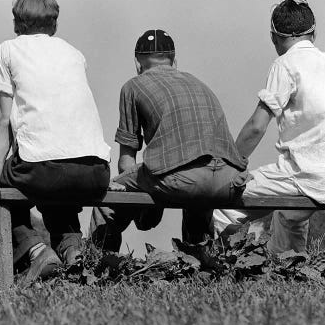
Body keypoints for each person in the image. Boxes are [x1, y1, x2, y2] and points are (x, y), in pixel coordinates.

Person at [0, 0, 111, 281]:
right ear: (54, 23)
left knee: (5, 187)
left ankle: (36, 251)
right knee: (57, 179)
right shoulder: (74, 53)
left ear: (16, 21)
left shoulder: (8, 50)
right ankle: (73, 251)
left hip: (44, 169)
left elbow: (4, 120)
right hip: (96, 170)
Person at [214, 0, 325, 253]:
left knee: (221, 203)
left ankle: (207, 270)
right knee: (289, 215)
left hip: (311, 176)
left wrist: (228, 167)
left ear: (274, 38)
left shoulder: (286, 64)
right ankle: (291, 270)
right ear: (314, 34)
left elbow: (257, 126)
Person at [89, 30, 248, 253]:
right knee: (197, 188)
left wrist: (145, 210)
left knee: (108, 201)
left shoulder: (133, 86)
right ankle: (201, 264)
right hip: (230, 180)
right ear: (175, 60)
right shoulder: (199, 83)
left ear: (137, 63)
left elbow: (126, 162)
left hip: (180, 179)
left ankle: (98, 266)